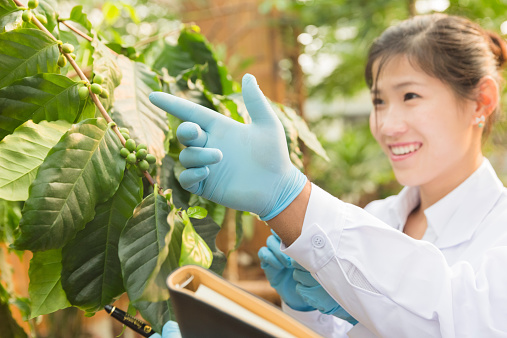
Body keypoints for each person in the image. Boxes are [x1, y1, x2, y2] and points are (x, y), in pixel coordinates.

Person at [149, 13, 507, 337]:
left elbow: (464, 319)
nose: (388, 125)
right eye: (379, 101)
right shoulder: (378, 217)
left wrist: (290, 200)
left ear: (482, 101)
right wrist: (309, 312)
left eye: (410, 95)